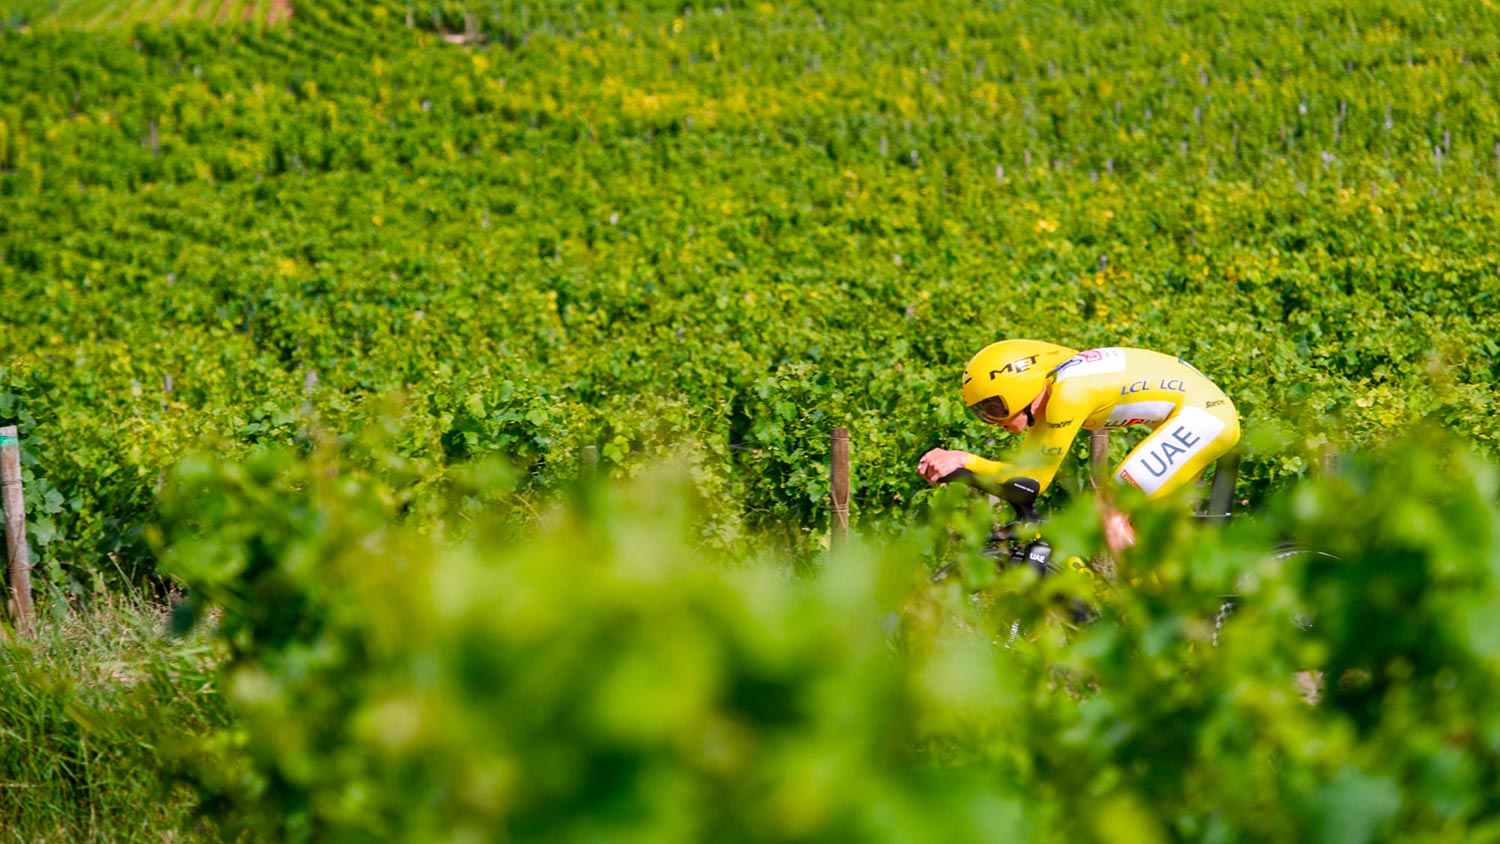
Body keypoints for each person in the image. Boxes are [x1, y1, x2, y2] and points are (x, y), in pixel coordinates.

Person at [917, 339, 1240, 552]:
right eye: (980, 413)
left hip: (1205, 414)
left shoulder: (1068, 395)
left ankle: (1149, 625)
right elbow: (1027, 479)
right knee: (1144, 529)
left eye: (993, 407)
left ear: (1020, 390)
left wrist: (964, 460)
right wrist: (964, 465)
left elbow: (1033, 482)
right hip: (1199, 413)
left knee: (1111, 511)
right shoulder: (1047, 399)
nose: (992, 420)